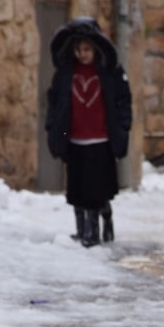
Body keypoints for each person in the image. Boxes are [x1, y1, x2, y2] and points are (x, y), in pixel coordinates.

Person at [45, 17, 133, 248]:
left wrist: (122, 128)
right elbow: (55, 104)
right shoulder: (65, 74)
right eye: (78, 49)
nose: (83, 54)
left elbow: (123, 101)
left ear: (96, 48)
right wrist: (55, 131)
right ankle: (81, 228)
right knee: (77, 189)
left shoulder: (109, 72)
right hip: (75, 139)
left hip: (101, 139)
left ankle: (98, 226)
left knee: (97, 189)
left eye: (87, 49)